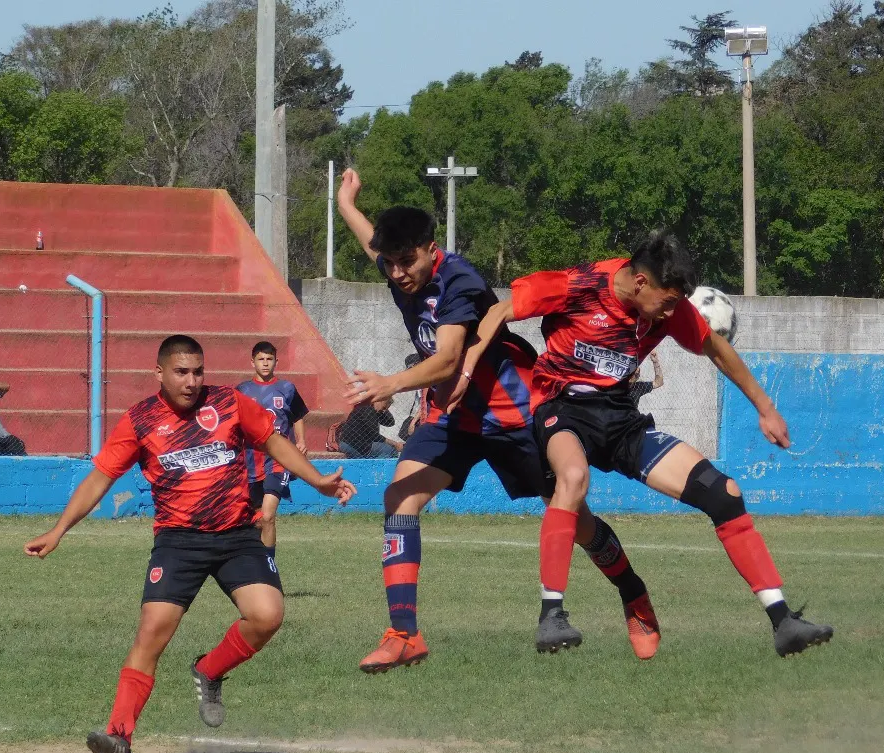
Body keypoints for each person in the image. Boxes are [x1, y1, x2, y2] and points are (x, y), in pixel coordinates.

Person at [336, 167, 660, 671]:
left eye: (406, 261)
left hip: (517, 413)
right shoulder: (399, 264)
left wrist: (391, 384)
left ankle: (633, 593)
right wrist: (346, 205)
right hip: (454, 417)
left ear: (430, 248)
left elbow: (447, 360)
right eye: (391, 263)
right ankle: (404, 634)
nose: (397, 272)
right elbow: (370, 245)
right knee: (399, 496)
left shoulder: (458, 280)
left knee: (575, 518)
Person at [468, 229, 833, 657]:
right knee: (572, 477)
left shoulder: (664, 309)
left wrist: (765, 407)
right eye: (670, 300)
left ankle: (783, 621)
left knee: (724, 494)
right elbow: (498, 312)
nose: (673, 312)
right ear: (641, 282)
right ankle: (553, 614)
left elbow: (716, 349)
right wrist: (463, 372)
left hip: (621, 419)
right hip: (562, 409)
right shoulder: (580, 285)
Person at [24, 334, 356, 753]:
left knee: (268, 614)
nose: (192, 380)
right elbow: (100, 479)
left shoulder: (229, 402)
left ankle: (210, 670)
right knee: (152, 633)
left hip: (237, 534)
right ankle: (118, 735)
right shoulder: (141, 419)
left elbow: (274, 442)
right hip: (179, 541)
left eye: (198, 371)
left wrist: (317, 480)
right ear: (158, 373)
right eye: (182, 372)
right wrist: (59, 529)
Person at [235, 342, 309, 558]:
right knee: (257, 519)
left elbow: (297, 417)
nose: (265, 363)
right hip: (250, 460)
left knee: (268, 516)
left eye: (269, 359)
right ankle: (255, 562)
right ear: (252, 362)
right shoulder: (242, 390)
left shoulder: (287, 388)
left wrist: (301, 441)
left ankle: (269, 566)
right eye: (261, 359)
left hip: (277, 459)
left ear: (276, 361)